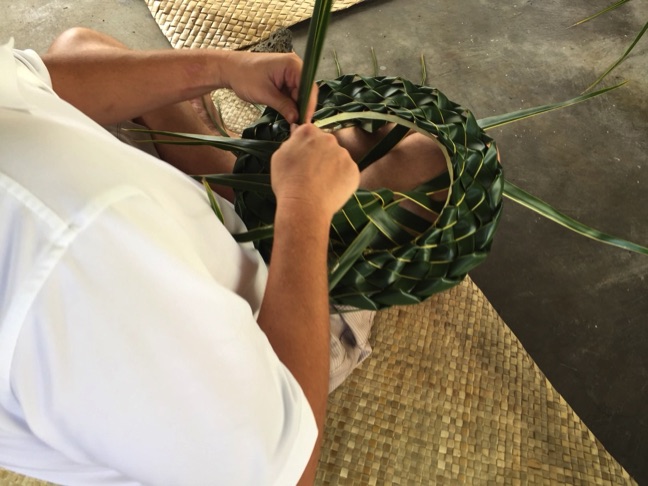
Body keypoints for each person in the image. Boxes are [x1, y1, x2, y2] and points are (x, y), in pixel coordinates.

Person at [0, 28, 447, 485]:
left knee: (78, 45)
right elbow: (286, 474)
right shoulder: (74, 270)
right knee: (427, 162)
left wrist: (218, 69)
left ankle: (226, 170)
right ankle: (259, 187)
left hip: (157, 215)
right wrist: (304, 208)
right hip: (271, 317)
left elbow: (43, 79)